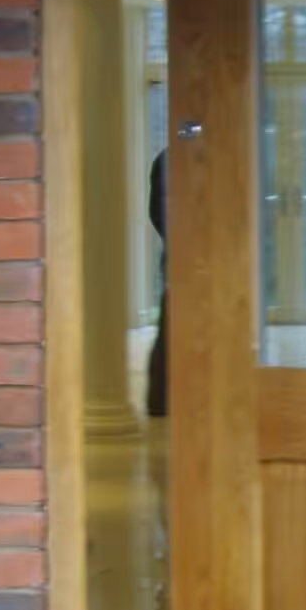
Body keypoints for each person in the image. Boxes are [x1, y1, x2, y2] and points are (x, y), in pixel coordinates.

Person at [145, 147, 167, 418]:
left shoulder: (164, 158)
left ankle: (159, 401)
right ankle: (160, 401)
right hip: (182, 252)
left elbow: (155, 213)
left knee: (170, 324)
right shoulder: (168, 160)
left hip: (176, 250)